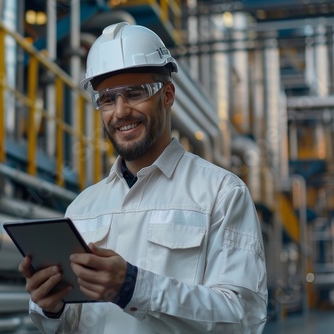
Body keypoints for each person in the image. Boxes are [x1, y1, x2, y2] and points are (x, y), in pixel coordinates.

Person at [18, 22, 267, 333]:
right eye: (107, 99)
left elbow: (243, 317)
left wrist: (133, 287)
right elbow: (68, 326)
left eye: (134, 93)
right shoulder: (82, 208)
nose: (120, 112)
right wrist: (50, 308)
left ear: (167, 95)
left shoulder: (221, 194)